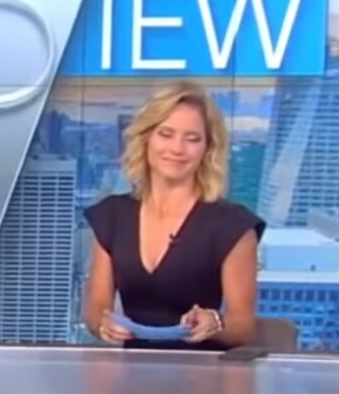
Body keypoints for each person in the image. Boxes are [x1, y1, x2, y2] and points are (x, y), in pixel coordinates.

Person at [82, 81, 264, 351]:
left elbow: (244, 327)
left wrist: (214, 323)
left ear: (207, 149)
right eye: (166, 134)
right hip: (133, 370)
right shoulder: (112, 217)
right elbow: (96, 309)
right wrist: (103, 324)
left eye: (192, 139)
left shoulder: (233, 226)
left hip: (203, 371)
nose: (177, 149)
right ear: (146, 139)